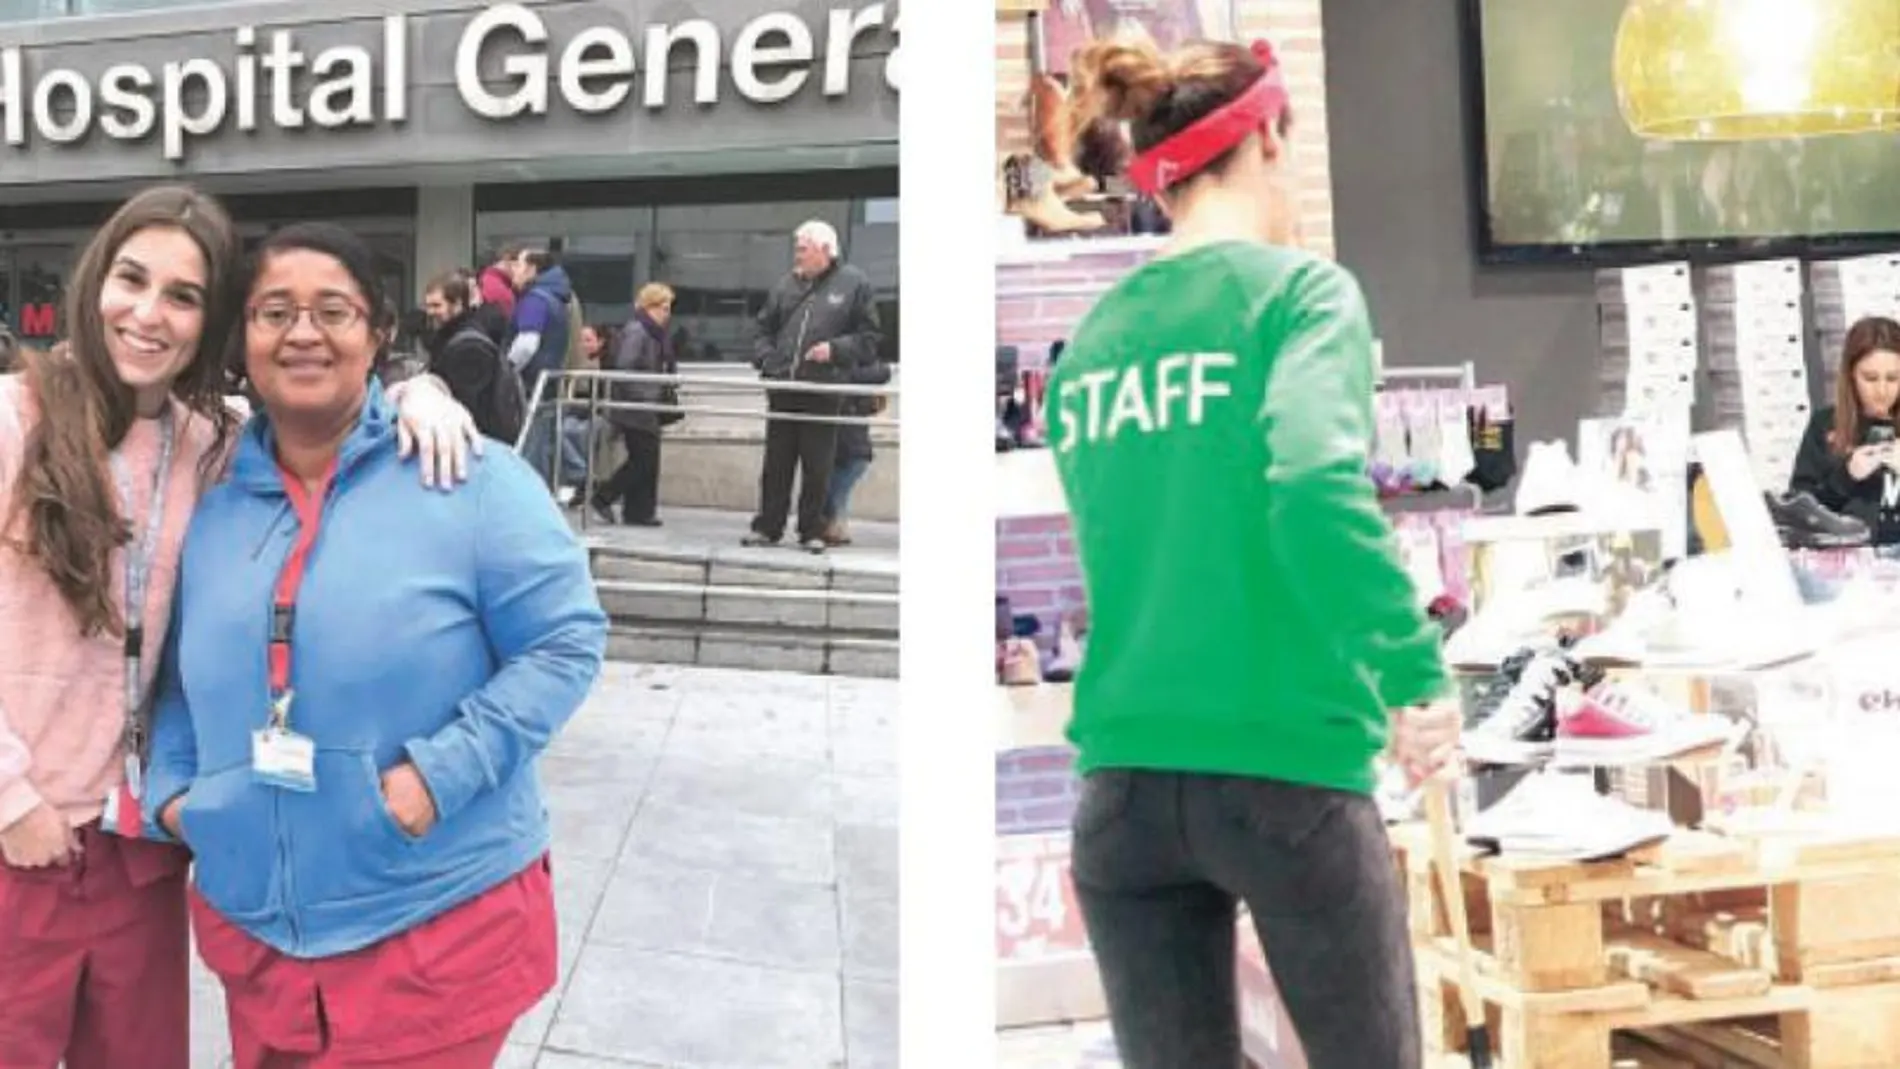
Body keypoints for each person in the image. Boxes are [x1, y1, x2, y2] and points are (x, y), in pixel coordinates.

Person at [1048, 38, 1460, 1069]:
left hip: (1124, 784)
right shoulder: (1300, 297)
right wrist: (1412, 672)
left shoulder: (1091, 342)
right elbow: (1314, 488)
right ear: (1270, 136)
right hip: (1288, 773)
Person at [0, 187, 477, 1069]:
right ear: (93, 280)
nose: (149, 314)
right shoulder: (12, 419)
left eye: (182, 296)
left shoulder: (216, 440)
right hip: (19, 840)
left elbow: (332, 407)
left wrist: (425, 389)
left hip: (140, 843)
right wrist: (9, 799)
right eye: (131, 279)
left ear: (209, 321)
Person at [144, 222, 607, 1068]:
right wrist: (176, 788)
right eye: (273, 311)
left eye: (334, 310)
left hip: (430, 930)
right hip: (259, 934)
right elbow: (173, 676)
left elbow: (566, 642)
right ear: (242, 341)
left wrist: (440, 772)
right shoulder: (209, 503)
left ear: (379, 333)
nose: (303, 332)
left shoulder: (471, 475)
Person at [744, 221, 883, 553]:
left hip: (823, 390)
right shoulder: (784, 286)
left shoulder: (854, 284)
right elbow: (761, 331)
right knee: (776, 464)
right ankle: (768, 526)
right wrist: (767, 359)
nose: (797, 255)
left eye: (803, 248)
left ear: (824, 249)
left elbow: (870, 338)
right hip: (783, 388)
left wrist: (834, 350)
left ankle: (811, 530)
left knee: (817, 466)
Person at [1789, 316, 1900, 545]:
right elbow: (1798, 512)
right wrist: (1846, 477)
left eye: (1893, 378)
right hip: (1847, 567)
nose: (1882, 390)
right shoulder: (1825, 424)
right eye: (1870, 378)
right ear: (1851, 375)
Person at [595, 285, 676, 527]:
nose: (667, 314)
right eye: (663, 308)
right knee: (644, 459)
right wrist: (646, 395)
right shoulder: (638, 331)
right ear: (649, 307)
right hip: (635, 407)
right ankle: (604, 497)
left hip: (643, 406)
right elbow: (624, 367)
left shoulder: (652, 333)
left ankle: (639, 511)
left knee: (646, 459)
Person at [510, 249, 586, 492]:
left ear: (533, 269)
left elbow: (527, 343)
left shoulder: (535, 299)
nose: (513, 270)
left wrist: (507, 368)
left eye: (518, 265)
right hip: (548, 381)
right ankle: (580, 475)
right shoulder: (557, 299)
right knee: (548, 437)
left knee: (533, 449)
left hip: (532, 383)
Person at [423, 269, 526, 443]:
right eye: (427, 306)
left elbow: (468, 408)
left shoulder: (469, 348)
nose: (429, 312)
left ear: (456, 305)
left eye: (436, 305)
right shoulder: (459, 338)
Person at [822, 358, 892, 546]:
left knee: (834, 493)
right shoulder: (857, 396)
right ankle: (834, 529)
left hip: (853, 452)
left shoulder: (857, 375)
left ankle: (835, 530)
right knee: (834, 491)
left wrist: (844, 375)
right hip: (849, 450)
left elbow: (883, 372)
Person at [477, 244, 522, 320]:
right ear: (507, 260)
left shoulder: (493, 280)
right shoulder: (496, 287)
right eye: (519, 265)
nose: (521, 271)